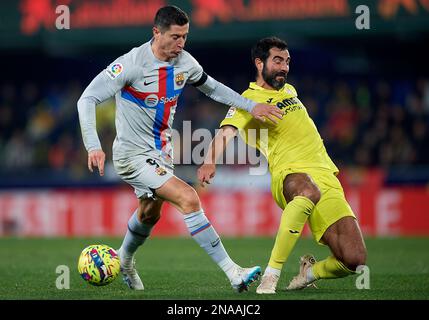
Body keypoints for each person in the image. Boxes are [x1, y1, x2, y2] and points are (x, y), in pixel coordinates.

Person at [77, 6, 283, 292]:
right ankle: (233, 272)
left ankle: (124, 261)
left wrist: (251, 105)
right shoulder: (131, 64)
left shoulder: (185, 62)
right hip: (131, 155)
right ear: (156, 32)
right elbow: (86, 99)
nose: (181, 44)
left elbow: (212, 88)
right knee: (188, 197)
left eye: (185, 37)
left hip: (161, 153)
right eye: (175, 37)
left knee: (149, 213)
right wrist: (93, 146)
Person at [198, 37, 367, 294]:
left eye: (287, 61)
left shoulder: (289, 91)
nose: (284, 67)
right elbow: (226, 133)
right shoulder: (248, 100)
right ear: (259, 63)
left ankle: (309, 273)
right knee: (308, 191)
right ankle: (271, 275)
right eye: (277, 60)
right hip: (290, 174)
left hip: (326, 174)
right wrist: (209, 161)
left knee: (354, 259)